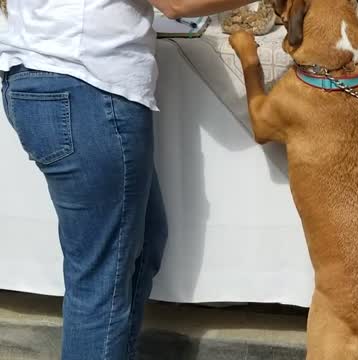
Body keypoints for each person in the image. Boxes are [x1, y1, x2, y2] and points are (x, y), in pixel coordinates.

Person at [0, 0, 250, 358]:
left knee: (144, 241)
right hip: (85, 89)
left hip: (45, 79)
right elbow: (179, 4)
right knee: (103, 282)